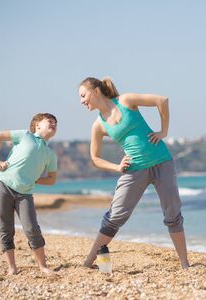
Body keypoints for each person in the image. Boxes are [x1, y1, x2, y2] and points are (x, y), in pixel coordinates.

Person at [78, 77, 190, 269]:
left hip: (162, 161)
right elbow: (95, 158)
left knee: (172, 213)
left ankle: (185, 264)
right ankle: (89, 262)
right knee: (115, 216)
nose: (81, 101)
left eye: (83, 95)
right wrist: (117, 167)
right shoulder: (98, 125)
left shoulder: (125, 101)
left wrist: (163, 131)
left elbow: (161, 100)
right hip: (134, 169)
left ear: (96, 91)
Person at [0, 113, 58, 275]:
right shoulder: (25, 135)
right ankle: (12, 268)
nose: (54, 124)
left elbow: (51, 180)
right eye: (49, 121)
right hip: (3, 184)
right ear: (37, 125)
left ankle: (43, 266)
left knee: (32, 228)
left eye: (56, 123)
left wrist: (33, 180)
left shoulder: (50, 154)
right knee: (5, 227)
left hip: (25, 193)